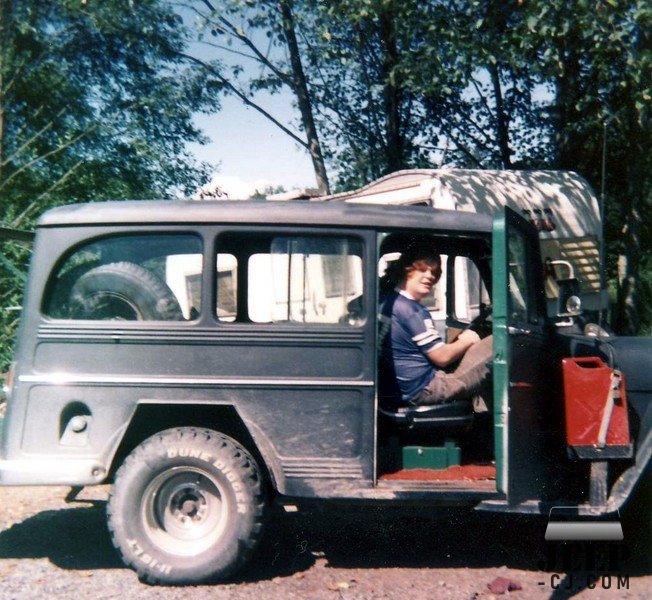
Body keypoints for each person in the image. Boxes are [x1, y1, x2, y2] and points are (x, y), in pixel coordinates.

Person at [379, 241, 493, 408]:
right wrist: (468, 339)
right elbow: (442, 357)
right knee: (500, 340)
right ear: (407, 269)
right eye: (423, 270)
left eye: (434, 272)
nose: (430, 277)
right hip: (424, 390)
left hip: (400, 389)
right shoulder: (412, 310)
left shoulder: (387, 300)